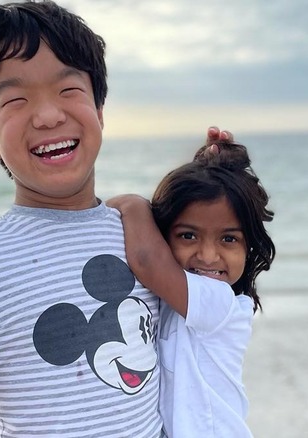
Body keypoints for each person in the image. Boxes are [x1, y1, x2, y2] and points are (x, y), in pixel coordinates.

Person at [0, 1, 235, 436]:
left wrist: (220, 174)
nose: (48, 115)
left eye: (68, 91)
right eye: (17, 100)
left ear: (99, 111)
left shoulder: (146, 235)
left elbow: (219, 267)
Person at [107, 139, 276, 437]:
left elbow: (147, 260)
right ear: (163, 236)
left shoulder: (220, 303)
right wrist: (213, 164)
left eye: (228, 239)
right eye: (188, 236)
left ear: (249, 246)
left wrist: (131, 204)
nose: (208, 256)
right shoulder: (172, 298)